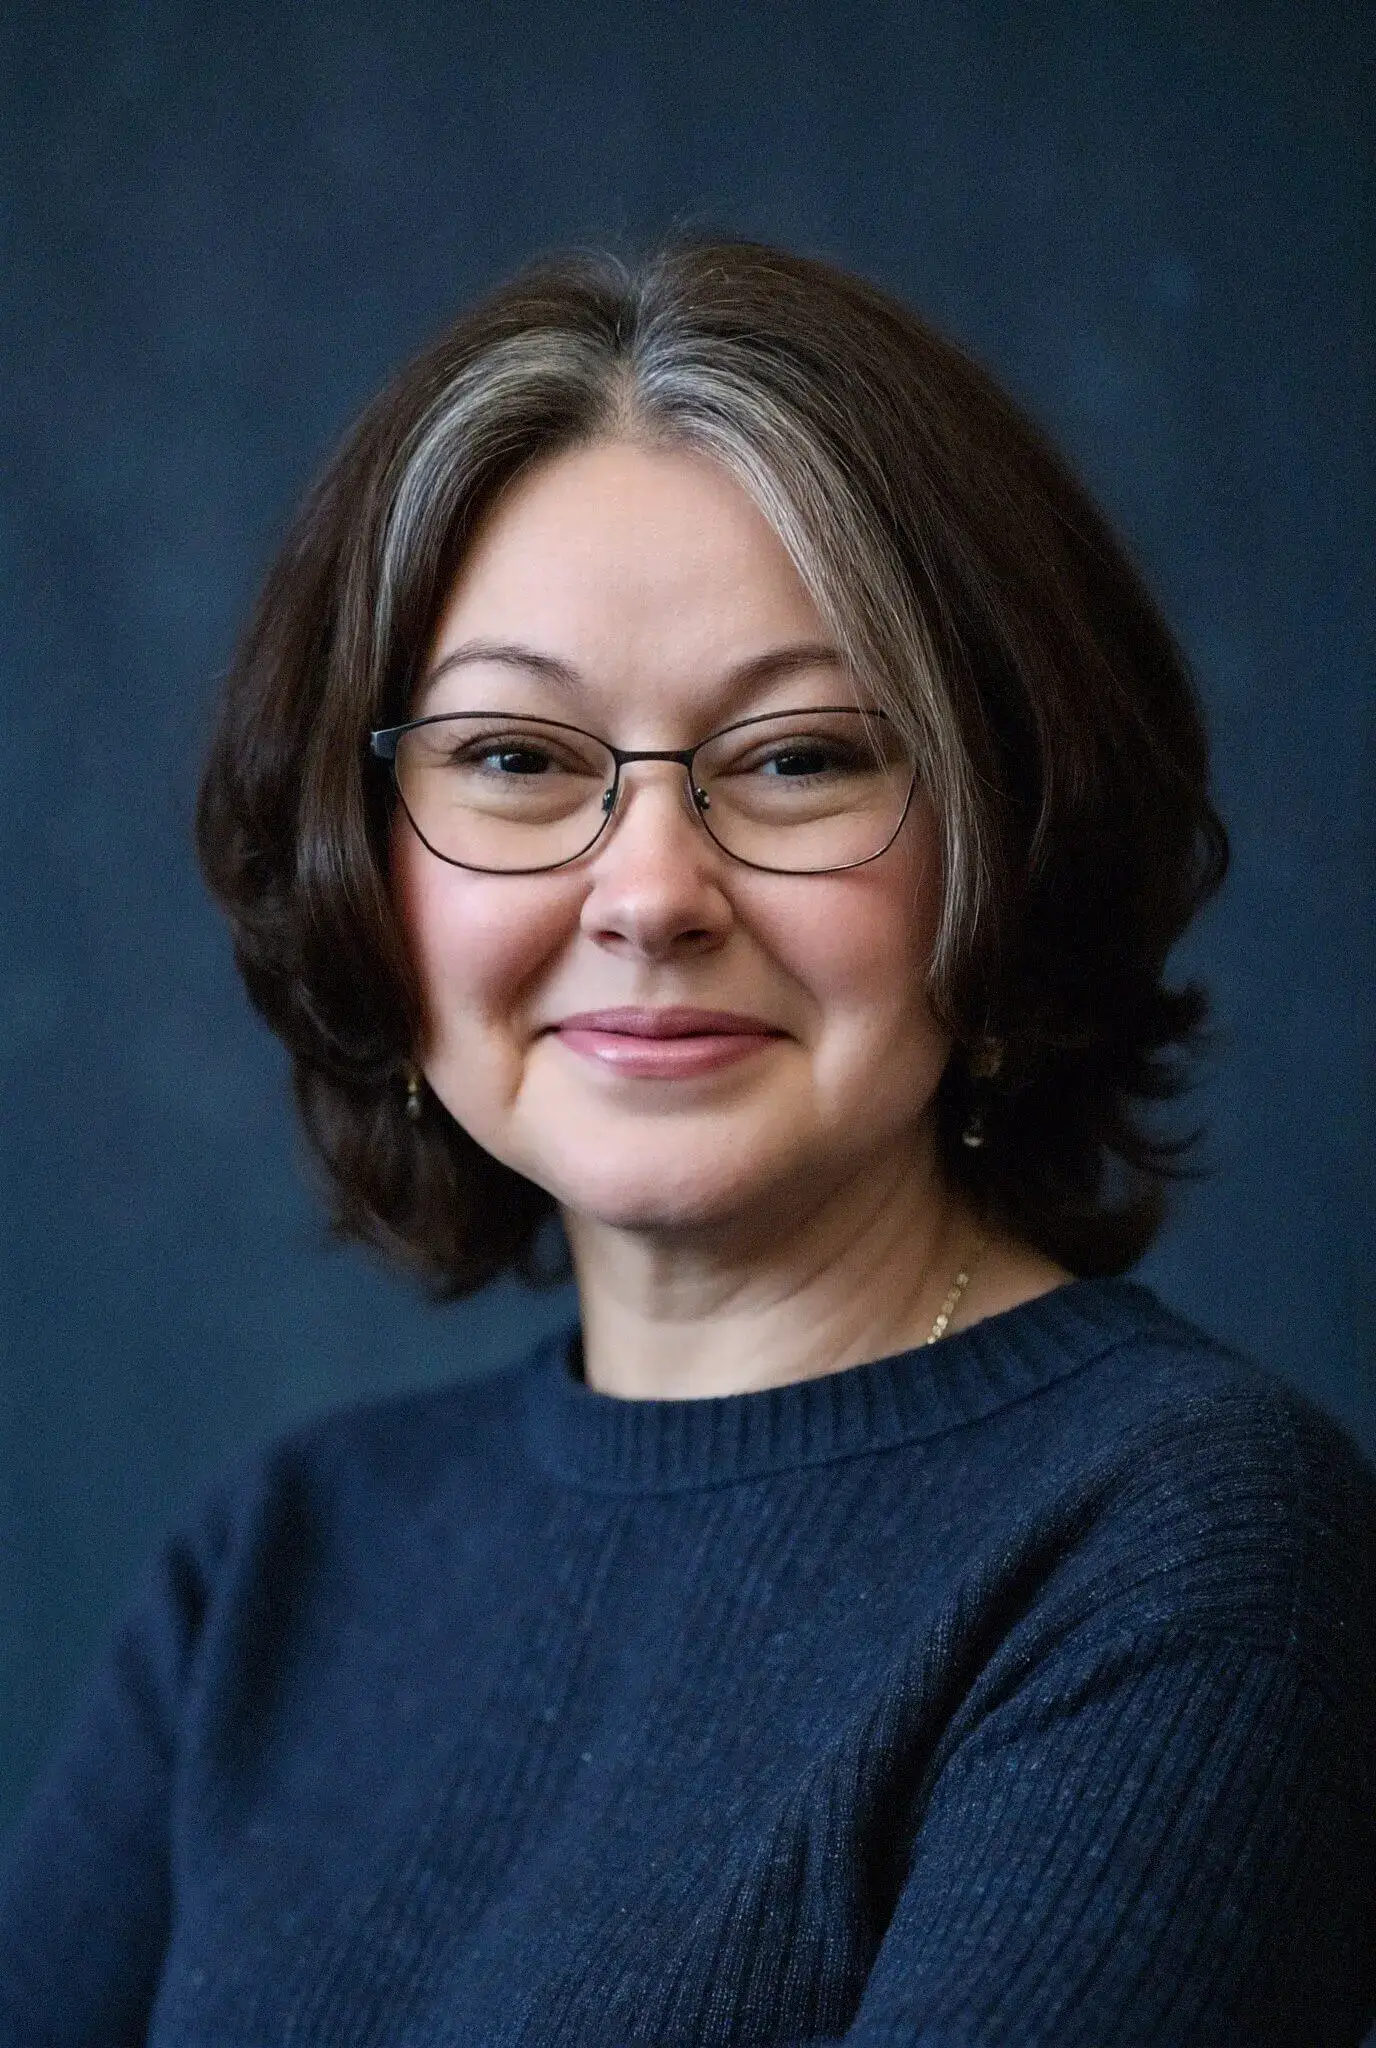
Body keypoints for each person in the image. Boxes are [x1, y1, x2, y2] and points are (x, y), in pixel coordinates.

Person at [1, 239, 1372, 2048]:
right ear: (364, 861)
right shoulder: (281, 1562)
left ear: (1013, 832)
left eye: (801, 757)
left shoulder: (1182, 1542)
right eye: (515, 757)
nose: (650, 893)